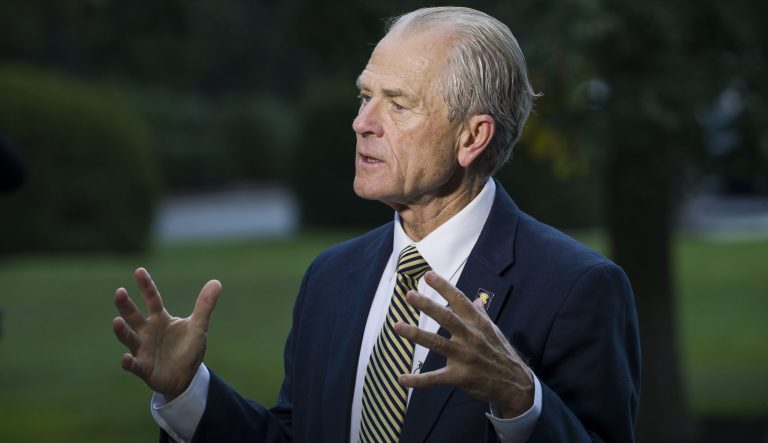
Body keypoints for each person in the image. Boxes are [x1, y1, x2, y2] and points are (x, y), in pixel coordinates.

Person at [112, 6, 640, 442]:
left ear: (471, 138)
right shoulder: (330, 276)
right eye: (366, 96)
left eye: (398, 104)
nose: (361, 122)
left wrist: (522, 400)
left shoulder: (577, 288)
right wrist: (188, 394)